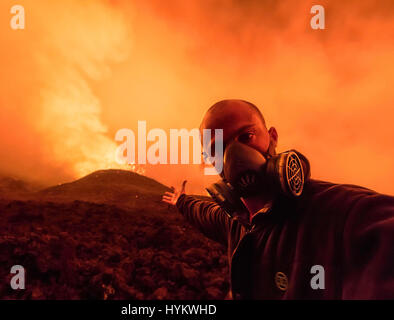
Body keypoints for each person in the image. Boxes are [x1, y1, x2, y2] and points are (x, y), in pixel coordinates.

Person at [162, 99, 394, 299]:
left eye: (246, 136)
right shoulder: (236, 222)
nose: (234, 155)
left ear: (272, 136)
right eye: (217, 150)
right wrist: (181, 201)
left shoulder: (340, 214)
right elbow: (203, 213)